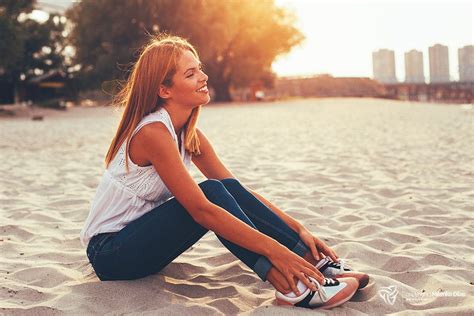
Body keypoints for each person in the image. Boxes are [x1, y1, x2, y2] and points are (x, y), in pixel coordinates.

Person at [80, 35, 369, 309]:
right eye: (190, 73)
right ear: (164, 90)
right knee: (211, 194)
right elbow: (202, 210)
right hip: (110, 254)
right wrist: (276, 251)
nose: (204, 77)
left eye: (200, 69)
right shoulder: (153, 133)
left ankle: (313, 262)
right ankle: (290, 286)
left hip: (141, 244)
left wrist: (297, 229)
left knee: (223, 188)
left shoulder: (189, 135)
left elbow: (237, 191)